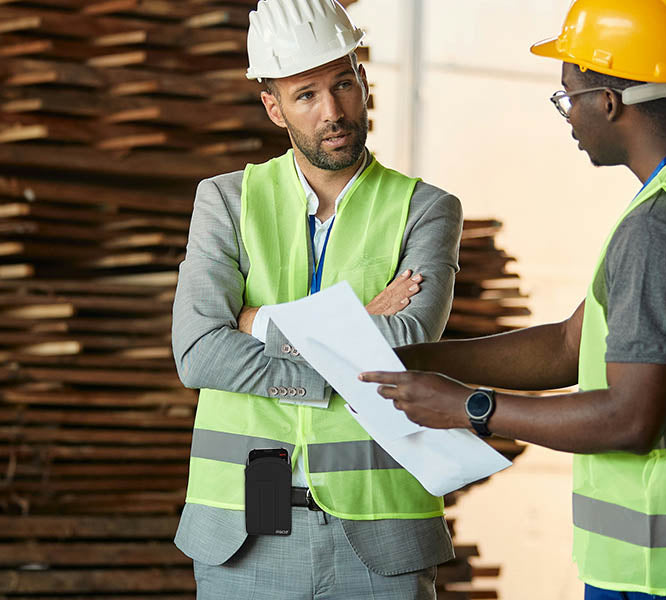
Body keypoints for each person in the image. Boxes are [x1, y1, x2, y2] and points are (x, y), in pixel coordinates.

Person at [361, 1, 666, 599]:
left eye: (567, 95)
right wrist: (423, 362)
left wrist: (471, 408)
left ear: (609, 101)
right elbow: (572, 343)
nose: (566, 114)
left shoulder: (660, 228)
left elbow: (629, 417)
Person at [170, 0, 463, 597]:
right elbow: (199, 352)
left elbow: (407, 344)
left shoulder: (427, 209)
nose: (333, 111)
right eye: (305, 94)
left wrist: (255, 322)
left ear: (362, 80)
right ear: (273, 107)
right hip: (244, 526)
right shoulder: (226, 201)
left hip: (382, 531)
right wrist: (354, 329)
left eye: (343, 83)